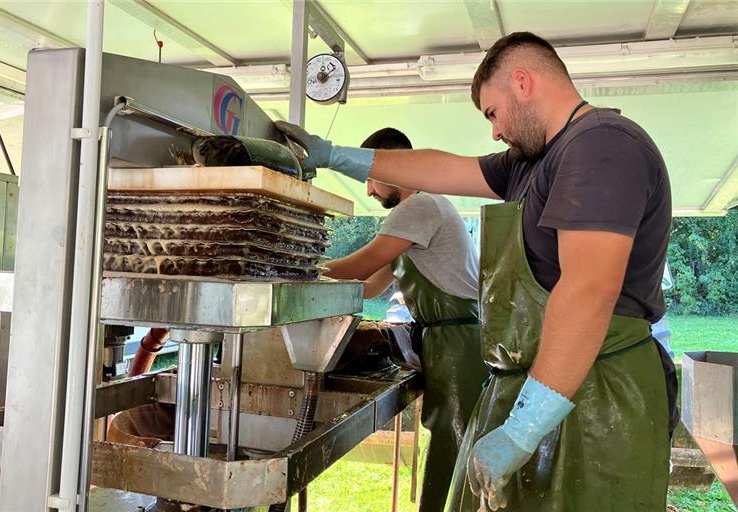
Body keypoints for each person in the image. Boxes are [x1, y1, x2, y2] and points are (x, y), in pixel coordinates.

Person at [277, 31, 678, 512]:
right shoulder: (532, 161)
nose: (494, 131)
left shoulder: (601, 146)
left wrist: (525, 427)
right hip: (541, 378)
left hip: (598, 396)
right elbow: (440, 169)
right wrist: (335, 155)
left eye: (493, 112)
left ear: (523, 82)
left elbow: (588, 291)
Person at [323, 127, 487, 511]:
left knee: (453, 447)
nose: (368, 192)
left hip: (457, 345)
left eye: (368, 179)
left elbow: (360, 265)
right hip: (447, 341)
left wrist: (296, 269)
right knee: (449, 444)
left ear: (390, 164)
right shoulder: (419, 214)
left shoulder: (420, 206)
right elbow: (368, 286)